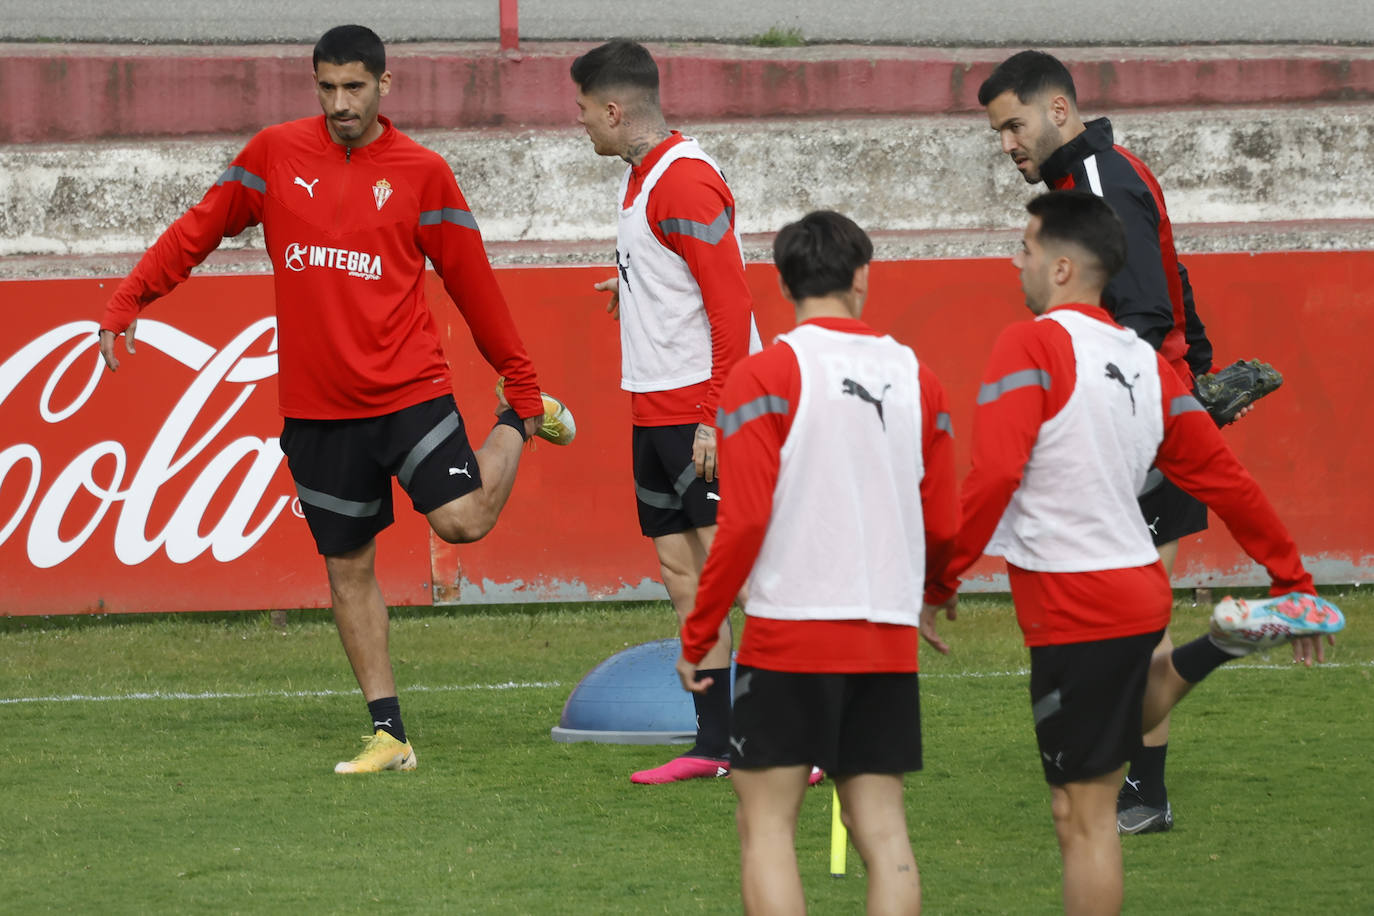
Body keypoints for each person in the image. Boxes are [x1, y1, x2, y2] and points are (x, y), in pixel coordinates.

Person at [97, 24, 573, 774]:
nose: (340, 103)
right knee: (348, 567)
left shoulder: (424, 173)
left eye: (355, 87)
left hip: (408, 390)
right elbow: (197, 231)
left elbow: (473, 284)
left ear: (387, 85)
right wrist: (129, 299)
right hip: (318, 410)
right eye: (327, 87)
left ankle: (521, 423)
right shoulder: (273, 156)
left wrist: (521, 381)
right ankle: (389, 734)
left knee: (464, 520)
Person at [920, 190, 1341, 916]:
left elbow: (994, 473)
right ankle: (1219, 643)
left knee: (1082, 821)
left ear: (1059, 267)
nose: (1014, 259)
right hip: (1136, 591)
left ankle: (1222, 642)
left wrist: (941, 576)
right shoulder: (1145, 362)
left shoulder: (1030, 343)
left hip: (1071, 600)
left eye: (1024, 245)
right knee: (1130, 708)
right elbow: (1226, 479)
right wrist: (1290, 578)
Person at [977, 48, 1262, 833]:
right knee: (1137, 619)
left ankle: (1139, 786)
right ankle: (1142, 785)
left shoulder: (1099, 180)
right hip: (1152, 418)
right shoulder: (1091, 180)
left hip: (1133, 431)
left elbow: (1144, 314)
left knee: (1128, 625)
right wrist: (1197, 377)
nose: (1007, 144)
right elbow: (1174, 283)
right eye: (998, 132)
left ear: (1059, 110)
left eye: (1014, 124)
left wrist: (1146, 411)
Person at [677, 210, 958, 915]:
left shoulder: (763, 375)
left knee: (766, 828)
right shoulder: (917, 375)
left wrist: (699, 634)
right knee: (884, 829)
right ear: (862, 277)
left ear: (784, 282)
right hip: (886, 638)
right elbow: (944, 517)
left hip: (790, 636)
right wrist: (933, 590)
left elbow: (740, 525)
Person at [570, 39, 761, 784]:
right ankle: (718, 745)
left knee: (737, 577)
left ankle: (796, 734)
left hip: (699, 413)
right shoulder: (643, 179)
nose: (581, 122)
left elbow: (731, 300)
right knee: (684, 575)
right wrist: (633, 288)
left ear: (615, 110)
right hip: (653, 410)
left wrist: (715, 414)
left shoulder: (683, 182)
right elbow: (683, 277)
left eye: (584, 110)